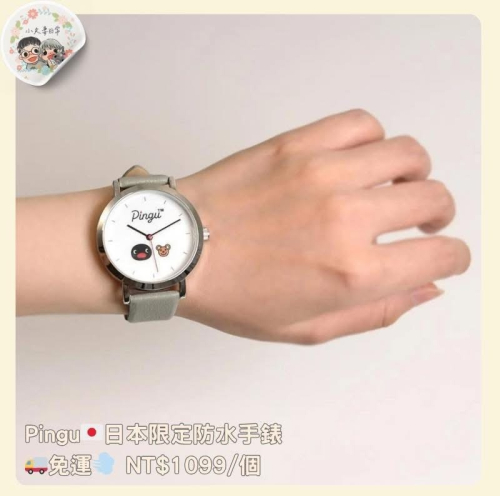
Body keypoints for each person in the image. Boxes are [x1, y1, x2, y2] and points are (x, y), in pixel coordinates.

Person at [16, 109, 471, 344]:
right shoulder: (143, 237)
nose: (151, 238)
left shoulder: (165, 219)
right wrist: (205, 272)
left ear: (200, 233)